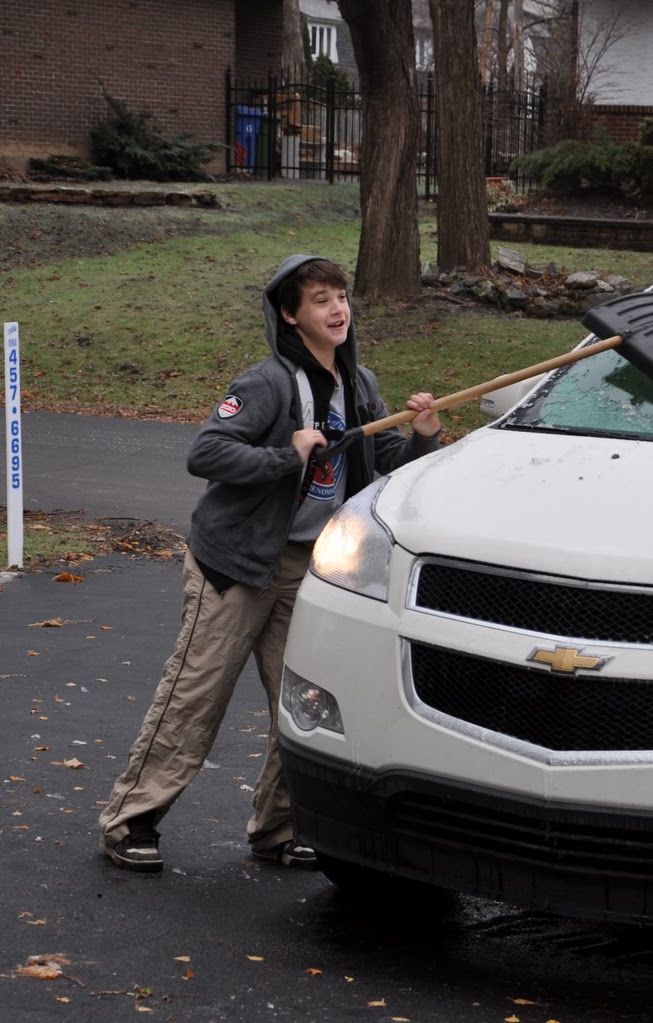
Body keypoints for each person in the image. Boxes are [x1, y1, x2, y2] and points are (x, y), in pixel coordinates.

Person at [98, 254, 443, 873]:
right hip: (236, 563)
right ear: (290, 315)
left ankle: (278, 829)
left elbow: (383, 460)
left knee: (304, 702)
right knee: (196, 694)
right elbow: (206, 453)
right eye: (319, 300)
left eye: (340, 297)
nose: (337, 309)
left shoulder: (359, 386)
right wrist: (287, 454)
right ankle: (131, 821)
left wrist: (422, 434)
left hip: (313, 569)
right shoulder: (267, 384)